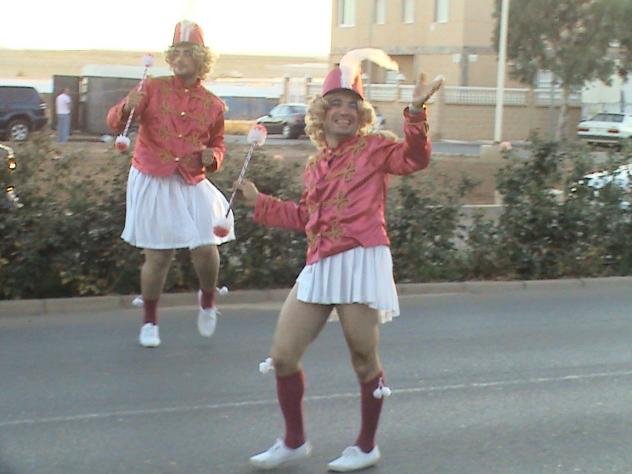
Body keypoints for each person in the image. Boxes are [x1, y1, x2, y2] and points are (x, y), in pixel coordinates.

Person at [236, 50, 444, 472]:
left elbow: (414, 158)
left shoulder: (376, 149)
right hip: (320, 263)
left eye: (353, 104)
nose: (344, 111)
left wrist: (415, 113)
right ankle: (294, 441)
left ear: (361, 114)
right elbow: (306, 218)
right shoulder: (315, 166)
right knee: (283, 355)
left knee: (364, 358)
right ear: (321, 112)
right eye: (336, 103)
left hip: (361, 258)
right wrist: (260, 202)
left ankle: (366, 446)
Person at [106, 20, 234, 348]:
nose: (179, 58)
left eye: (187, 52)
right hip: (153, 176)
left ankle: (207, 300)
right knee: (159, 255)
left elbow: (218, 144)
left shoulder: (214, 104)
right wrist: (126, 106)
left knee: (206, 248)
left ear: (201, 58)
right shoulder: (151, 88)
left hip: (191, 180)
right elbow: (116, 122)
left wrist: (213, 158)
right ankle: (150, 321)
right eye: (175, 52)